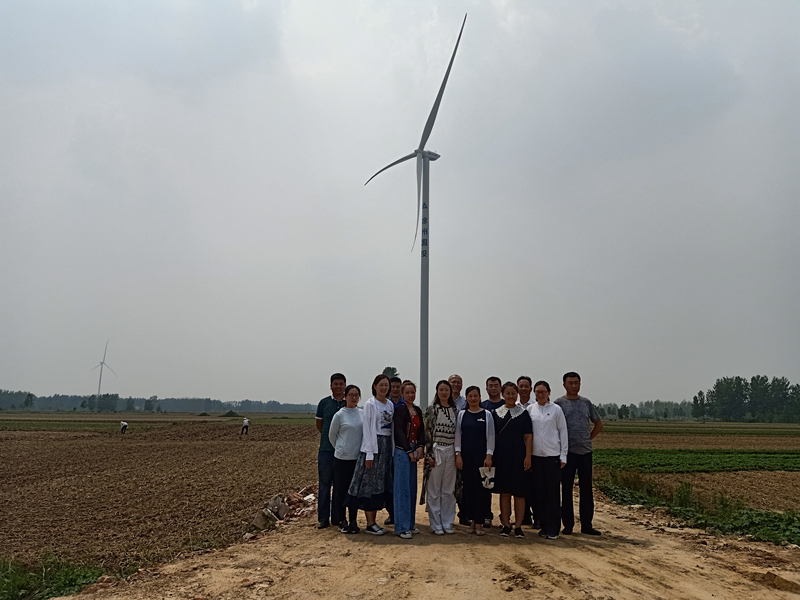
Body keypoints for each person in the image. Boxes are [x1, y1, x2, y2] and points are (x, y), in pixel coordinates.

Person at [345, 374, 394, 535]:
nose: (384, 388)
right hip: (373, 446)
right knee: (369, 485)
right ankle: (370, 523)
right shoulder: (370, 404)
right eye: (381, 385)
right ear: (374, 386)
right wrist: (370, 453)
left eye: (386, 385)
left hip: (387, 447)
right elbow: (367, 429)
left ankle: (376, 521)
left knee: (381, 484)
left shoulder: (390, 404)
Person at [555, 372, 604, 536]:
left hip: (585, 452)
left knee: (586, 489)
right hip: (567, 453)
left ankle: (587, 525)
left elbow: (598, 424)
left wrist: (588, 438)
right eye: (570, 383)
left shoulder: (586, 403)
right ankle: (568, 525)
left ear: (580, 384)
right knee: (566, 489)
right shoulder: (559, 404)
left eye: (576, 383)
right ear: (564, 385)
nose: (573, 386)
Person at [491, 381, 532, 538]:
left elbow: (528, 436)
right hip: (501, 458)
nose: (510, 396)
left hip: (519, 457)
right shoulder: (496, 413)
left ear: (517, 394)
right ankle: (506, 524)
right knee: (505, 492)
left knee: (519, 493)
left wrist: (528, 456)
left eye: (513, 393)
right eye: (507, 393)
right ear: (503, 394)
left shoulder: (523, 413)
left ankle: (519, 526)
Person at [528, 380, 568, 540]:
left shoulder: (556, 409)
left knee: (552, 494)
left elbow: (563, 431)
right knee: (539, 493)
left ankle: (553, 529)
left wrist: (563, 455)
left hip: (552, 457)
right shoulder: (531, 409)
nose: (540, 394)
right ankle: (543, 526)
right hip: (536, 457)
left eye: (543, 391)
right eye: (537, 392)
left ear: (549, 393)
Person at [454, 386, 494, 535]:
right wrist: (458, 454)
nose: (473, 398)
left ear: (479, 397)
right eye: (470, 396)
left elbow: (490, 436)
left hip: (482, 459)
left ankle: (480, 522)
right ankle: (471, 521)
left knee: (482, 490)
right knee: (468, 490)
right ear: (466, 398)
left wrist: (489, 456)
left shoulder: (486, 414)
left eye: (475, 396)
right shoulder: (462, 414)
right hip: (466, 458)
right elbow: (458, 435)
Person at [420, 380, 458, 535]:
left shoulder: (455, 410)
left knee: (448, 490)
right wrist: (429, 454)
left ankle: (448, 522)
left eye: (446, 390)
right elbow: (427, 433)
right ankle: (435, 523)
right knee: (434, 489)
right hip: (436, 451)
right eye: (441, 390)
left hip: (451, 451)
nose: (444, 392)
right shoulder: (431, 410)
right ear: (437, 391)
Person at [392, 380, 425, 539]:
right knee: (402, 489)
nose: (411, 395)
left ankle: (410, 523)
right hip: (402, 451)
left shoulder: (417, 410)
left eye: (413, 392)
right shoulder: (399, 410)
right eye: (407, 392)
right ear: (402, 394)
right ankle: (401, 527)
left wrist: (420, 446)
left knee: (412, 488)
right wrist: (408, 450)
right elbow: (398, 431)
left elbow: (421, 431)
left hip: (414, 450)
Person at [329, 385, 363, 534]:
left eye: (356, 395)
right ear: (345, 397)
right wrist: (341, 448)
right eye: (351, 395)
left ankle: (353, 520)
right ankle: (341, 520)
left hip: (357, 458)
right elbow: (332, 436)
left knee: (354, 491)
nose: (354, 398)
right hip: (342, 459)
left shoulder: (362, 413)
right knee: (340, 490)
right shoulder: (339, 415)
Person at [315, 373, 347, 529]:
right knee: (324, 485)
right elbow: (319, 425)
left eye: (341, 384)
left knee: (340, 486)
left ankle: (338, 517)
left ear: (345, 386)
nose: (338, 387)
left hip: (344, 452)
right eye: (336, 384)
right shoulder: (324, 403)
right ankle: (323, 518)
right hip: (326, 450)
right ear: (331, 386)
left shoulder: (349, 403)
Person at [448, 373, 469, 525]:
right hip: (446, 444)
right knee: (447, 481)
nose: (455, 384)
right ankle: (445, 514)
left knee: (463, 481)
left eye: (458, 382)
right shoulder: (442, 400)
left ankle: (464, 513)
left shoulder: (466, 402)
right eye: (453, 382)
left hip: (463, 445)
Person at [384, 375, 404, 526]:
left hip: (403, 449)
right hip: (387, 449)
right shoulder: (384, 405)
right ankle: (392, 513)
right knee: (388, 484)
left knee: (402, 483)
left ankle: (402, 512)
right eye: (393, 387)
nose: (396, 389)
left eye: (398, 387)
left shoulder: (407, 405)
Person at [516, 376, 535, 527]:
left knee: (533, 485)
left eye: (526, 386)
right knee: (518, 485)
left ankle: (537, 516)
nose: (523, 389)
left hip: (533, 451)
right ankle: (523, 516)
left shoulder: (536, 406)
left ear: (531, 388)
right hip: (516, 451)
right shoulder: (512, 406)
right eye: (520, 386)